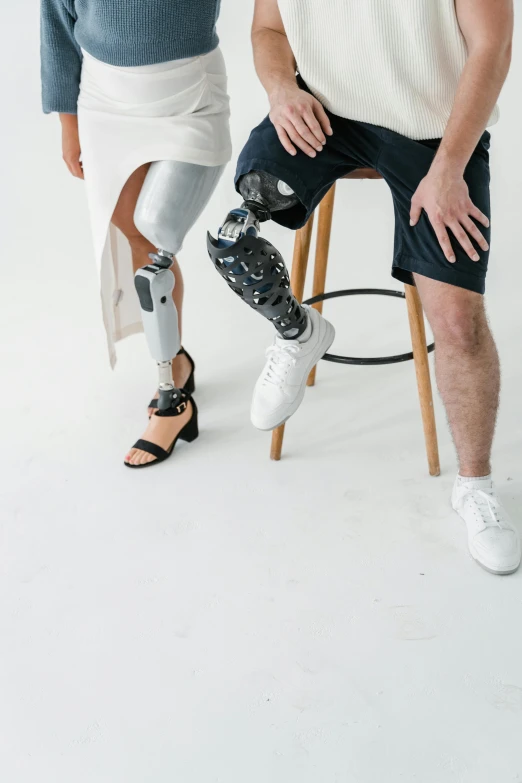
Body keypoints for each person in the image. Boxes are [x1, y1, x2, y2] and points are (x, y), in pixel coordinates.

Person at [207, 0, 520, 575]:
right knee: (234, 237)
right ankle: (298, 331)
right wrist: (281, 90)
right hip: (324, 114)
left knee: (457, 322)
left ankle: (474, 486)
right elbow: (269, 28)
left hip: (434, 130)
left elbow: (493, 46)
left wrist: (450, 168)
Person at [40, 0, 232, 468]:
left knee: (156, 235)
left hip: (189, 95)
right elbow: (55, 22)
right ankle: (175, 364)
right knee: (140, 247)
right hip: (106, 102)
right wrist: (69, 125)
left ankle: (172, 405)